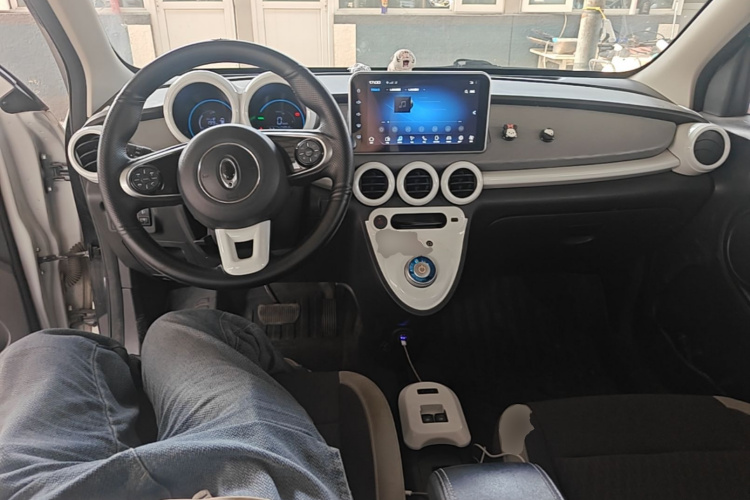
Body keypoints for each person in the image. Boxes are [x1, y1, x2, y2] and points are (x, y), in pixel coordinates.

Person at [0, 310, 352, 500]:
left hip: (48, 491)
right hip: (233, 483)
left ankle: (141, 383)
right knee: (174, 330)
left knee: (44, 349)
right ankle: (282, 373)